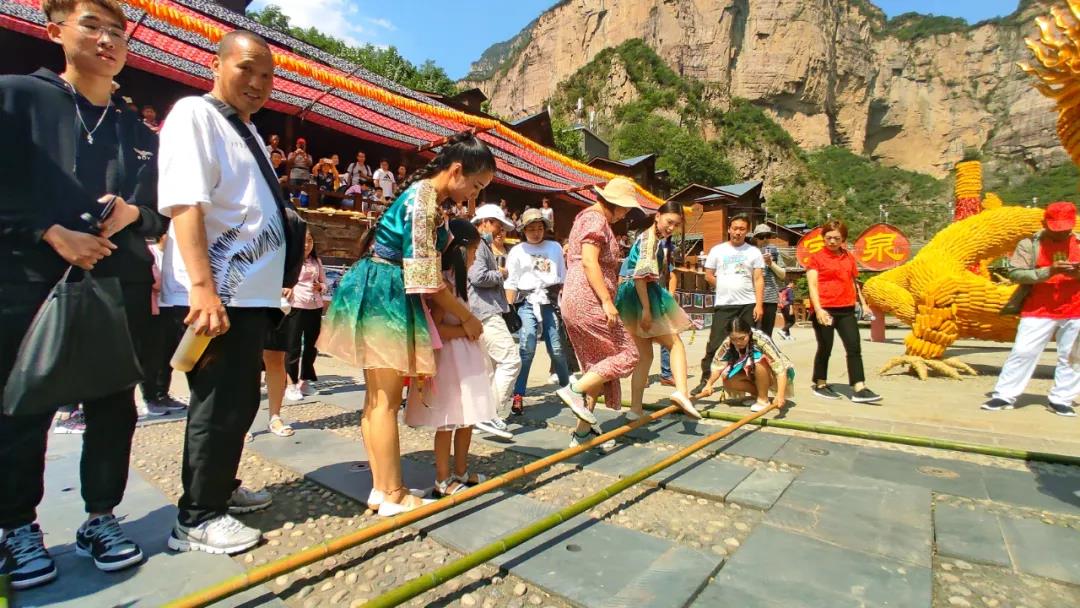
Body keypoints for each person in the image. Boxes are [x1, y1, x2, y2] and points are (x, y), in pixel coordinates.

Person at [0, 0, 163, 587]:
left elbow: (161, 213)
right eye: (91, 26)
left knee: (114, 405)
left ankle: (101, 517)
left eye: (117, 31)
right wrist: (49, 232)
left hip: (117, 281)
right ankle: (16, 526)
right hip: (30, 277)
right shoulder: (17, 97)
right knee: (24, 403)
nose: (107, 40)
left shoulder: (136, 131)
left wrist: (133, 215)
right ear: (55, 30)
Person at [318, 131, 493, 515]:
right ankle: (393, 493)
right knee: (385, 401)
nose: (473, 196)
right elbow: (426, 280)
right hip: (388, 292)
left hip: (379, 286)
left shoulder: (424, 198)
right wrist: (467, 317)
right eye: (476, 186)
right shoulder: (423, 202)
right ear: (457, 171)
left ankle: (381, 489)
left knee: (375, 399)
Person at [157, 30, 285, 555]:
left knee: (239, 400)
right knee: (217, 405)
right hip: (217, 294)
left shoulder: (247, 130)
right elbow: (185, 203)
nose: (257, 82)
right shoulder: (196, 114)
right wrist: (202, 289)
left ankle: (220, 488)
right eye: (245, 68)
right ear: (216, 65)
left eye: (267, 75)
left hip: (248, 296)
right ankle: (197, 517)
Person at [405, 219, 495, 496]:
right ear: (460, 249)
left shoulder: (459, 282)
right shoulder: (444, 285)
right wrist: (465, 329)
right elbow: (436, 328)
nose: (474, 258)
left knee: (468, 417)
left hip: (466, 359)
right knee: (447, 419)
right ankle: (443, 478)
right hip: (449, 360)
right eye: (473, 252)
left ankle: (462, 471)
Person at [557, 177, 642, 450]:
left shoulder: (587, 218)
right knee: (629, 355)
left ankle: (582, 434)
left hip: (577, 297)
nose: (625, 214)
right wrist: (606, 300)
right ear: (613, 203)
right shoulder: (595, 220)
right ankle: (574, 390)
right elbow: (589, 261)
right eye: (625, 209)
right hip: (589, 298)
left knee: (597, 367)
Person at [982, 201, 1080, 416]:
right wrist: (1048, 271)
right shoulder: (1029, 245)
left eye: (1065, 230)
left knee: (1073, 356)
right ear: (1044, 223)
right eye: (1055, 229)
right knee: (1023, 351)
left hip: (1075, 308)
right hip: (1038, 307)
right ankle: (1004, 395)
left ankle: (1062, 398)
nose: (1060, 234)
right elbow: (1015, 273)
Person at [615, 202, 700, 420]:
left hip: (633, 295)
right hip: (641, 294)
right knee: (675, 344)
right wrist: (646, 309)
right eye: (669, 222)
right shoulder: (649, 239)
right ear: (658, 216)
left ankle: (635, 409)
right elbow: (640, 277)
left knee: (645, 356)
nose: (672, 228)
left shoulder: (650, 237)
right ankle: (682, 392)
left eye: (676, 225)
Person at [806, 219, 882, 404]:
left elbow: (854, 282)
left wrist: (863, 303)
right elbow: (812, 285)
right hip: (825, 309)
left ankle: (859, 387)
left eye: (837, 238)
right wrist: (818, 310)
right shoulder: (816, 257)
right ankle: (820, 383)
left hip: (847, 309)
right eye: (829, 238)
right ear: (823, 238)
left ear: (843, 239)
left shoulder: (848, 257)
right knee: (826, 347)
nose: (832, 241)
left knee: (854, 347)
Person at [506, 209, 571, 414]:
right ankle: (518, 393)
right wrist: (508, 310)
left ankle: (568, 389)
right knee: (527, 346)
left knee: (557, 348)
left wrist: (566, 302)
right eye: (531, 229)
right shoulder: (517, 251)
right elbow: (512, 282)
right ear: (524, 230)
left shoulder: (554, 247)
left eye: (539, 228)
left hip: (549, 301)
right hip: (527, 301)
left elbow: (563, 277)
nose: (536, 233)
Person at [468, 204, 521, 440]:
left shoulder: (477, 244)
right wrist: (501, 274)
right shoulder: (479, 245)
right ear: (486, 222)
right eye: (498, 225)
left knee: (488, 368)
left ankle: (483, 413)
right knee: (510, 360)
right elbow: (478, 277)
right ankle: (489, 413)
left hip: (479, 311)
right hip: (485, 310)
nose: (501, 231)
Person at [695, 214, 764, 394]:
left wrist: (759, 305)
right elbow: (708, 275)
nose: (738, 232)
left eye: (742, 229)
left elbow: (758, 279)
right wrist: (725, 286)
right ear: (729, 229)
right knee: (715, 343)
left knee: (749, 343)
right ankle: (706, 380)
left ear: (747, 231)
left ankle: (747, 381)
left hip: (748, 304)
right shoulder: (717, 251)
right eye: (735, 228)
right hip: (724, 304)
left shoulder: (753, 252)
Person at [695, 318, 793, 412]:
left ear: (749, 333)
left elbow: (780, 370)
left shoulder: (761, 339)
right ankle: (757, 395)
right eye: (733, 339)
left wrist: (780, 395)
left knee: (758, 361)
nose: (738, 342)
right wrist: (709, 384)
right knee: (728, 379)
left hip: (772, 374)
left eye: (742, 338)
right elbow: (717, 366)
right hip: (751, 373)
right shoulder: (727, 343)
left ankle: (763, 400)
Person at [141, 235, 187, 416]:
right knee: (152, 356)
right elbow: (155, 282)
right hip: (154, 311)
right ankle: (150, 398)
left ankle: (163, 394)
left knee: (169, 354)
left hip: (173, 307)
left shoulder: (177, 255)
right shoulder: (150, 253)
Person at [285, 231, 326, 401]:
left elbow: (324, 283)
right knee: (293, 346)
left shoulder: (316, 261)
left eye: (310, 240)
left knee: (311, 346)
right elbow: (282, 282)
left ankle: (304, 380)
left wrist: (321, 287)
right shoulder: (289, 260)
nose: (307, 245)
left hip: (315, 307)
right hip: (296, 306)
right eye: (303, 241)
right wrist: (286, 288)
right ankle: (290, 383)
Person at [751, 224, 786, 337]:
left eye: (768, 236)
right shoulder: (749, 253)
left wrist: (771, 263)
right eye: (761, 236)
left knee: (766, 333)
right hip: (752, 297)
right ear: (756, 238)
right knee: (751, 331)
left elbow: (783, 275)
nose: (765, 239)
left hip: (770, 298)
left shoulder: (775, 252)